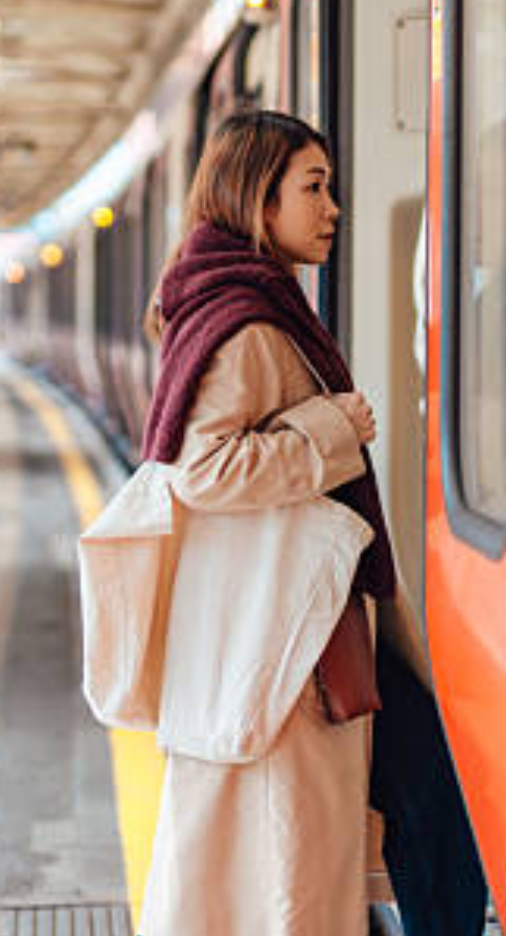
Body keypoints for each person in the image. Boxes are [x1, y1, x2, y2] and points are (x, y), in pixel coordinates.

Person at [137, 110, 390, 936]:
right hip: (281, 647)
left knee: (266, 874)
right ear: (257, 196)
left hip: (266, 637)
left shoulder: (239, 305)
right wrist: (334, 430)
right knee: (290, 877)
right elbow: (204, 469)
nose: (333, 208)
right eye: (312, 187)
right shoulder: (247, 326)